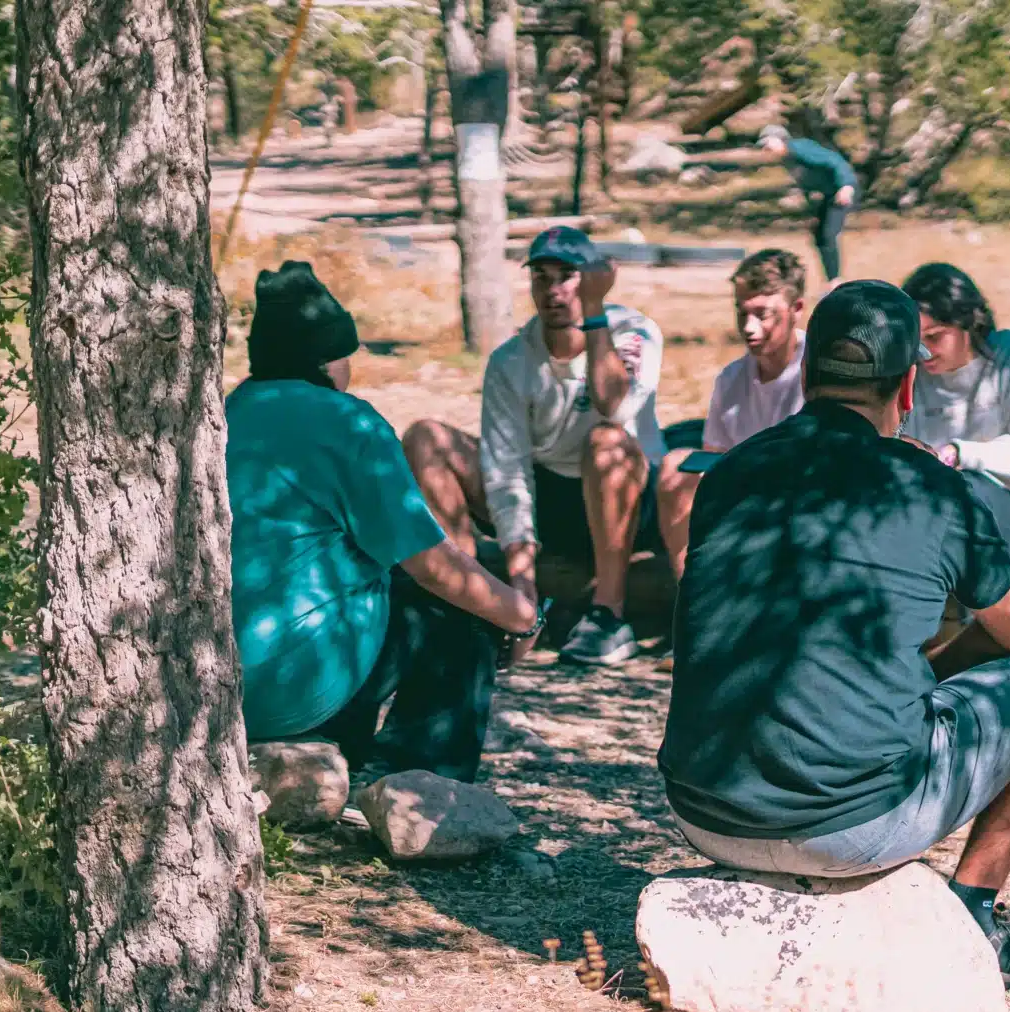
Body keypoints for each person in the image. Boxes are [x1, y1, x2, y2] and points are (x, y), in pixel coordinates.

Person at [659, 280, 1010, 991]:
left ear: (805, 374)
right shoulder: (927, 486)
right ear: (909, 386)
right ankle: (972, 919)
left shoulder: (732, 472)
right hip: (851, 828)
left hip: (702, 808)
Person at [227, 262, 542, 782]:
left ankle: (345, 750)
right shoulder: (350, 422)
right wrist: (523, 616)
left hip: (220, 686)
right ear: (328, 359)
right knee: (457, 602)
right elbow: (433, 566)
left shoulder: (229, 409)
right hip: (300, 688)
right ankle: (421, 778)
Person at [403, 226, 666, 668]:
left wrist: (596, 311)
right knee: (425, 437)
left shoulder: (634, 330)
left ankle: (608, 615)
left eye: (567, 276)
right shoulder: (511, 359)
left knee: (606, 442)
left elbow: (615, 407)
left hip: (626, 500)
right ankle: (465, 600)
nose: (553, 290)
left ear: (593, 279)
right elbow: (507, 469)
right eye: (541, 278)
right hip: (551, 499)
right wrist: (522, 586)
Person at [899, 263, 1010, 583]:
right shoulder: (911, 375)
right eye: (917, 341)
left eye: (935, 337)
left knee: (964, 497)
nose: (925, 352)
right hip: (941, 522)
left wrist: (961, 454)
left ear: (969, 321)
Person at [655, 248, 808, 580]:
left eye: (763, 314)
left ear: (796, 309)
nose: (749, 328)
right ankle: (690, 597)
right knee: (674, 468)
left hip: (797, 507)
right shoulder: (731, 378)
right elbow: (713, 460)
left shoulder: (818, 374)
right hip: (741, 499)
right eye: (741, 313)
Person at [758, 124, 858, 284]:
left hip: (841, 191)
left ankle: (836, 281)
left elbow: (835, 161)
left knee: (828, 235)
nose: (765, 148)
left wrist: (846, 186)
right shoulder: (787, 158)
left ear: (780, 139)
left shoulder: (799, 148)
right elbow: (807, 184)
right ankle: (833, 280)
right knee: (819, 237)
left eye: (767, 143)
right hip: (827, 196)